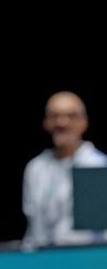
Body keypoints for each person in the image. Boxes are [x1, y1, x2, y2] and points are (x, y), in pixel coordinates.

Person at [22, 91, 107, 248]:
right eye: (54, 116)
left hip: (85, 261)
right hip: (43, 261)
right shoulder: (35, 168)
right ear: (46, 122)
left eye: (71, 116)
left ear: (84, 122)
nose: (62, 123)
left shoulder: (97, 165)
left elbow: (94, 233)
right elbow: (34, 228)